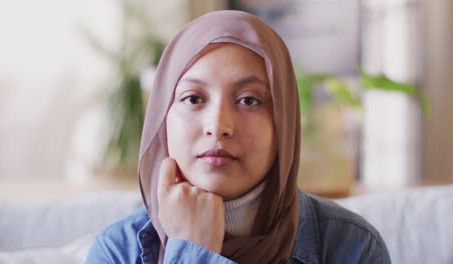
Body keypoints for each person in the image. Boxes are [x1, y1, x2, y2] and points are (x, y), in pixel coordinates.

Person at [86, 10, 391, 264]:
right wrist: (192, 250)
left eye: (249, 100)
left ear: (284, 125)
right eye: (194, 99)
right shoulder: (118, 252)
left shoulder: (354, 248)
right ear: (163, 117)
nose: (218, 126)